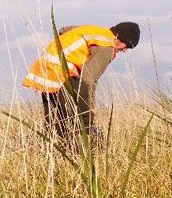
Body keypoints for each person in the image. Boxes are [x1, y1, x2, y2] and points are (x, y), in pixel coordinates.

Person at [22, 22, 140, 150]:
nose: (125, 50)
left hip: (45, 71)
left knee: (55, 125)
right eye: (126, 45)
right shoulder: (106, 47)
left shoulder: (94, 31)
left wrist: (69, 54)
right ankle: (84, 156)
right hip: (62, 76)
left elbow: (63, 30)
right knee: (74, 127)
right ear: (118, 37)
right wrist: (86, 119)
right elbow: (87, 81)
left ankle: (55, 157)